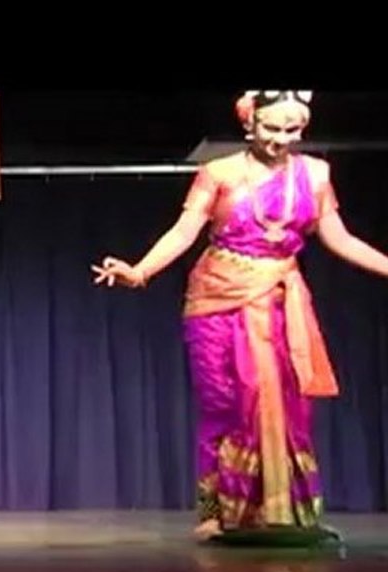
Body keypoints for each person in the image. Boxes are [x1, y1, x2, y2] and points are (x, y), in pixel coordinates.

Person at [91, 90, 388, 540]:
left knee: (288, 408)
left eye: (292, 130)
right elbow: (184, 231)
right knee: (226, 407)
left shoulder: (316, 174)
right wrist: (140, 271)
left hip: (279, 299)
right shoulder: (218, 173)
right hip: (217, 301)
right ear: (250, 125)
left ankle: (285, 511)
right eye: (272, 128)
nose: (281, 139)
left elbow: (340, 239)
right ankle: (215, 512)